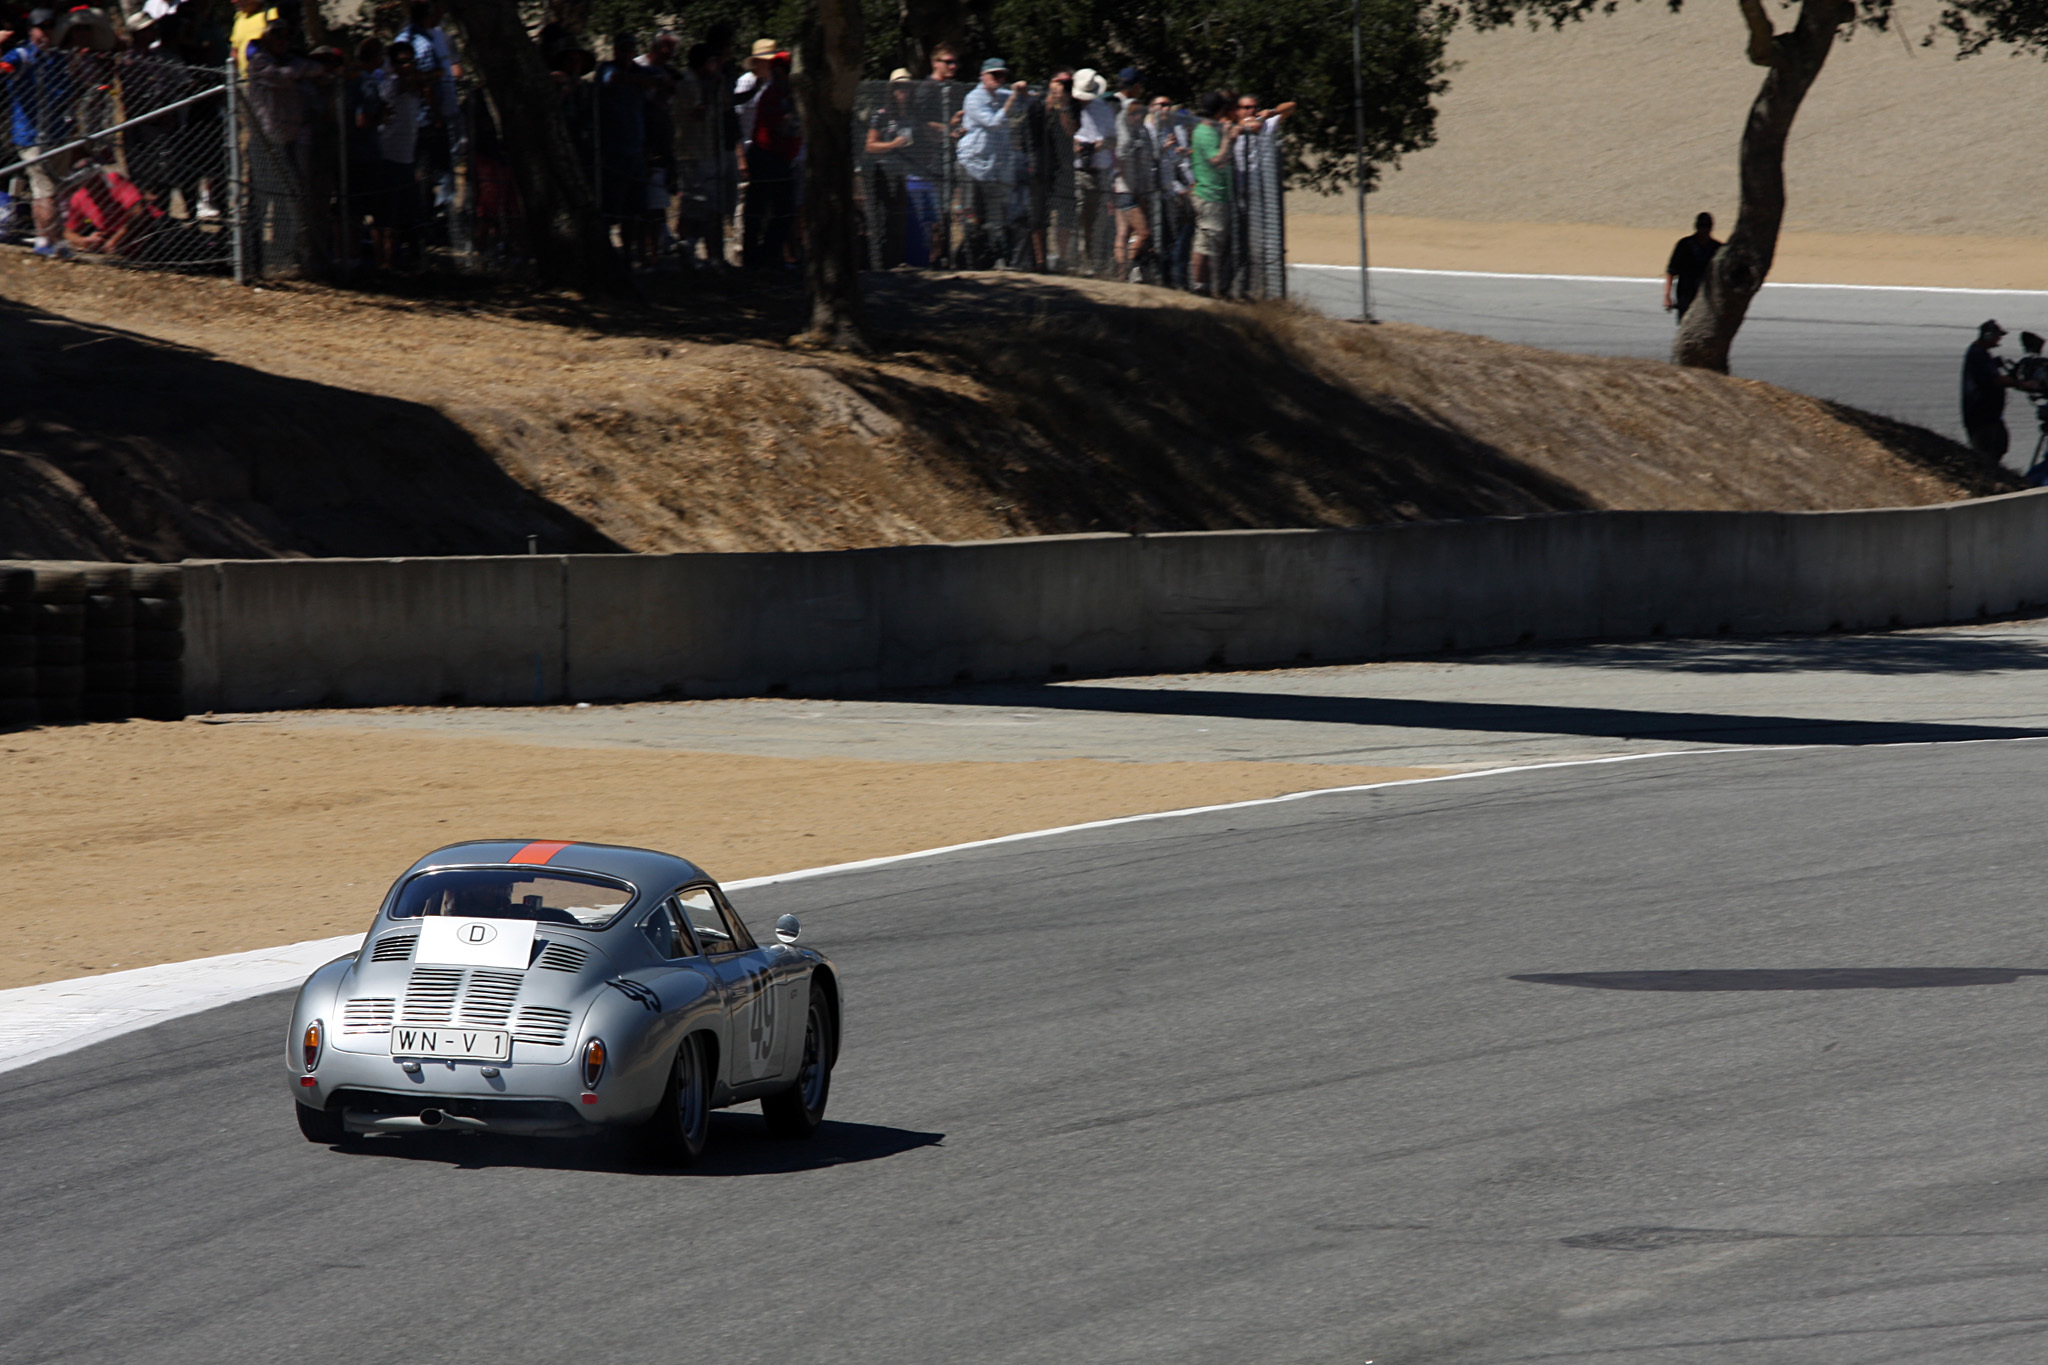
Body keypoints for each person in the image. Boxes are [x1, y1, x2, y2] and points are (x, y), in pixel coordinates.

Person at [0, 8, 80, 256]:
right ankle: (48, 241)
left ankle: (48, 239)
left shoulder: (58, 59)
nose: (45, 32)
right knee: (43, 189)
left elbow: (68, 91)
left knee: (54, 191)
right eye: (40, 27)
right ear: (31, 30)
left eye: (49, 27)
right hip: (32, 137)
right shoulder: (21, 55)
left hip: (58, 133)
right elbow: (3, 68)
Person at [955, 55, 1027, 268]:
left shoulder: (1002, 95)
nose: (998, 78)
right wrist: (1012, 101)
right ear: (982, 76)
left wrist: (1022, 93)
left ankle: (996, 259)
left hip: (994, 169)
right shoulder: (974, 98)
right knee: (971, 214)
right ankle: (969, 261)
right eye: (994, 74)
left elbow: (1028, 103)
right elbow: (993, 123)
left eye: (1002, 75)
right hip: (972, 165)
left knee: (995, 216)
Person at [741, 47, 797, 269]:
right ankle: (753, 259)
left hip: (782, 159)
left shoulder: (786, 95)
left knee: (784, 212)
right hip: (765, 157)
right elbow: (782, 127)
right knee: (758, 210)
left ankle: (770, 256)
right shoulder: (773, 94)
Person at [1188, 90, 1237, 297]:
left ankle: (1203, 285)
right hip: (1211, 194)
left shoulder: (1204, 129)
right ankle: (1203, 286)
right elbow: (1216, 160)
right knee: (1209, 243)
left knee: (1205, 241)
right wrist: (1228, 138)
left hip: (1211, 193)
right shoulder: (1207, 132)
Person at [1070, 66, 1114, 275]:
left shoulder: (1103, 109)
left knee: (1095, 219)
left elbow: (1114, 137)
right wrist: (1074, 144)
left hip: (1100, 169)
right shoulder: (1070, 108)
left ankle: (1096, 261)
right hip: (1078, 170)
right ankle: (1078, 260)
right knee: (1078, 215)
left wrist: (1102, 144)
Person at [1961, 319, 2017, 462]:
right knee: (1986, 453)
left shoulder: (1981, 353)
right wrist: (2023, 383)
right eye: (1997, 335)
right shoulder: (1978, 355)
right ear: (1987, 336)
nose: (1999, 339)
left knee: (2000, 444)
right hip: (1981, 417)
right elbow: (1996, 380)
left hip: (1989, 415)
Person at [1663, 211, 1720, 320]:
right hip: (1686, 296)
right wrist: (1667, 296)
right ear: (1696, 226)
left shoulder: (1717, 248)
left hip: (1709, 298)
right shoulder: (1684, 245)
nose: (1703, 230)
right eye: (1701, 226)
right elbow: (1671, 271)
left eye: (1706, 226)